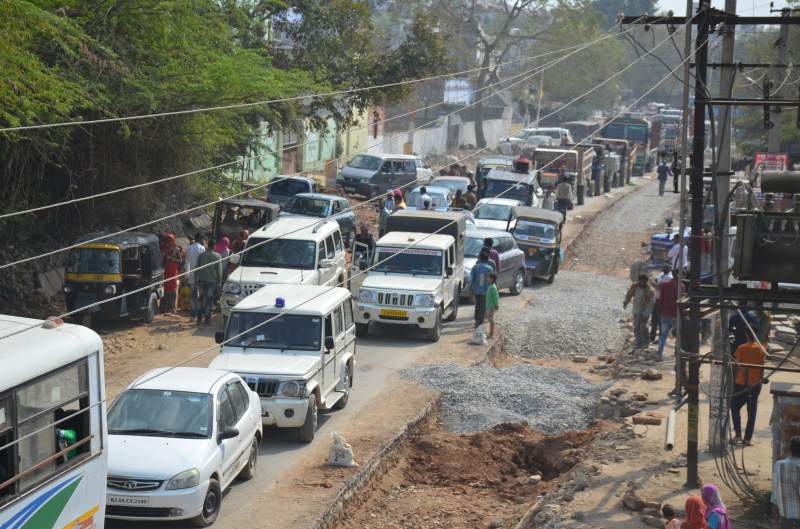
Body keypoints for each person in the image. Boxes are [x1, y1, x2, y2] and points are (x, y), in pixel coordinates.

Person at [731, 324, 765, 446]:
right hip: (755, 385)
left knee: (734, 407)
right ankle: (748, 439)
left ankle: (738, 434)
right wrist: (760, 383)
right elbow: (762, 369)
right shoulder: (761, 349)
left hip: (741, 384)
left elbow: (736, 366)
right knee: (752, 413)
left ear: (746, 334)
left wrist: (733, 381)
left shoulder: (742, 348)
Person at [772, 436, 800, 528]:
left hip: (785, 511)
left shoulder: (779, 465)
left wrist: (775, 510)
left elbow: (775, 489)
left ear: (790, 449)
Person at [624, 273, 656, 351]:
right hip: (636, 310)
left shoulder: (650, 290)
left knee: (643, 328)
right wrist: (625, 302)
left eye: (642, 281)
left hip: (644, 312)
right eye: (640, 281)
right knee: (636, 328)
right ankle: (638, 343)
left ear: (646, 281)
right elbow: (629, 294)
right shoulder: (635, 286)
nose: (641, 283)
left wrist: (645, 314)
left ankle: (645, 343)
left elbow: (651, 303)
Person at [657, 270, 683, 360]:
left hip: (665, 314)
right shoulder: (681, 286)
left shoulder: (665, 284)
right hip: (675, 314)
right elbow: (681, 301)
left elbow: (661, 298)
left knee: (663, 335)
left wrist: (660, 311)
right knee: (678, 335)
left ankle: (659, 354)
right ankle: (677, 354)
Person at [194, 238, 221, 325]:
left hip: (201, 280)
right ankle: (207, 320)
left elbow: (196, 268)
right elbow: (219, 271)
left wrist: (195, 279)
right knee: (209, 301)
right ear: (214, 246)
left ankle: (199, 319)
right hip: (211, 282)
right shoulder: (217, 256)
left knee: (201, 299)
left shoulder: (201, 255)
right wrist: (219, 282)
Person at [468, 250, 493, 329]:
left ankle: (477, 321)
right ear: (487, 259)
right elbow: (492, 281)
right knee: (482, 307)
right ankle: (479, 324)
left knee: (477, 305)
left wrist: (470, 288)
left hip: (476, 290)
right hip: (485, 291)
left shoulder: (475, 267)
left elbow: (470, 278)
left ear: (480, 258)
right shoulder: (490, 268)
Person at [184, 233, 206, 319]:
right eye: (203, 239)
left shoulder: (189, 248)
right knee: (201, 295)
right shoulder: (202, 248)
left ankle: (192, 315)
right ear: (200, 239)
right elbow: (203, 263)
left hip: (192, 274)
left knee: (193, 296)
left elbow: (187, 262)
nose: (204, 241)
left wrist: (187, 274)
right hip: (200, 274)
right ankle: (200, 314)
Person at [650, 263, 673, 343]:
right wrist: (656, 284)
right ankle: (651, 337)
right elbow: (653, 282)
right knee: (654, 320)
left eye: (667, 267)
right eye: (664, 266)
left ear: (670, 268)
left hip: (662, 301)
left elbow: (658, 286)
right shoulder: (661, 274)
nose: (665, 268)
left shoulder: (669, 277)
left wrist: (655, 284)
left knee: (661, 321)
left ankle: (660, 339)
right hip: (656, 299)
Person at [161, 247, 180, 314]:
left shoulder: (176, 249)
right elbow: (162, 261)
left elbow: (180, 260)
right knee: (166, 287)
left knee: (172, 287)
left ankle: (172, 308)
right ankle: (164, 308)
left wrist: (173, 259)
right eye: (168, 240)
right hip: (167, 268)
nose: (169, 242)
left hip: (173, 268)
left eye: (171, 240)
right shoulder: (165, 250)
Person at [486, 273, 499, 339]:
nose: (487, 279)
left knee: (491, 320)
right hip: (489, 305)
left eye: (488, 278)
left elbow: (495, 297)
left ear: (492, 279)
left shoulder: (493, 287)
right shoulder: (491, 286)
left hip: (491, 306)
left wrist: (496, 305)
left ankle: (491, 334)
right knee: (489, 319)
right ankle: (490, 333)